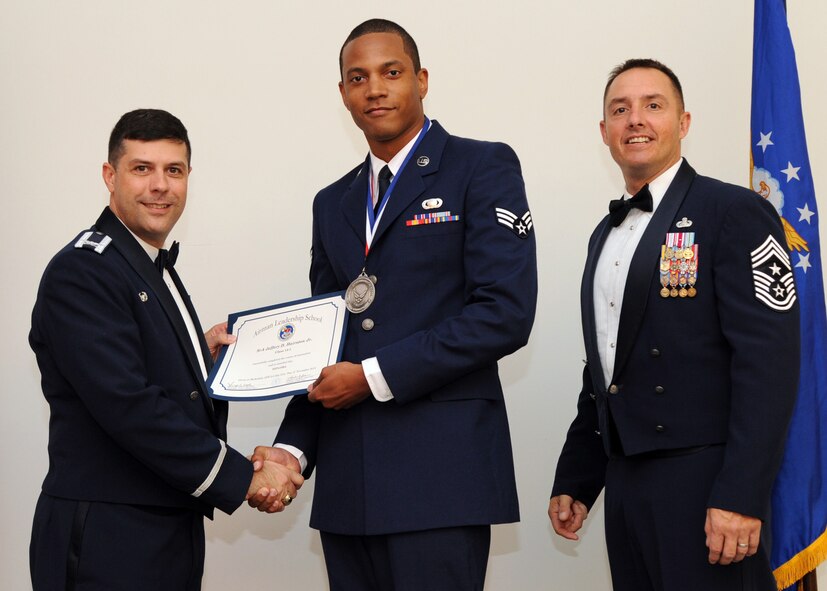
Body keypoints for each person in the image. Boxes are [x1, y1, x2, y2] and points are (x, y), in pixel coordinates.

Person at [249, 19, 537, 590]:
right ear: (343, 95)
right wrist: (290, 450)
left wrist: (373, 377)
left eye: (391, 72)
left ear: (422, 80)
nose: (375, 89)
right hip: (350, 489)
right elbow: (326, 337)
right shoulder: (333, 202)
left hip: (441, 482)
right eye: (358, 78)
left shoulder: (481, 167)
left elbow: (503, 313)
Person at [548, 59, 800, 590]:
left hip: (708, 487)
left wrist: (740, 495)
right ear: (605, 132)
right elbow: (606, 365)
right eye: (621, 110)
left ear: (683, 122)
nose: (635, 120)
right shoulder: (604, 234)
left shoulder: (733, 212)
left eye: (653, 106)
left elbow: (769, 366)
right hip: (627, 485)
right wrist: (579, 474)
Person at [29, 109, 304, 590]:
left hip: (161, 524)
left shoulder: (147, 264)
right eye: (142, 168)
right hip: (108, 534)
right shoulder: (83, 271)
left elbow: (132, 363)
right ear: (109, 177)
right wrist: (245, 478)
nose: (160, 185)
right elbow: (128, 404)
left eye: (173, 170)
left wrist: (199, 358)